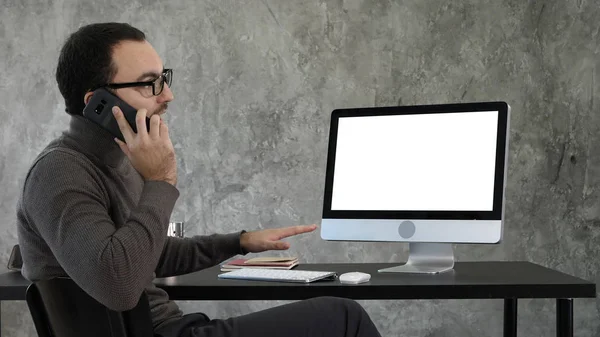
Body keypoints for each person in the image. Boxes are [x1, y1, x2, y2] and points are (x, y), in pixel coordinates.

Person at [16, 22, 382, 337]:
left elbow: (150, 255)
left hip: (170, 328)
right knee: (343, 316)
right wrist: (160, 181)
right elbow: (120, 286)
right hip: (160, 333)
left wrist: (239, 242)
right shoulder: (59, 173)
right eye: (149, 84)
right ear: (97, 102)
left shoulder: (114, 164)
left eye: (164, 79)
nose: (167, 95)